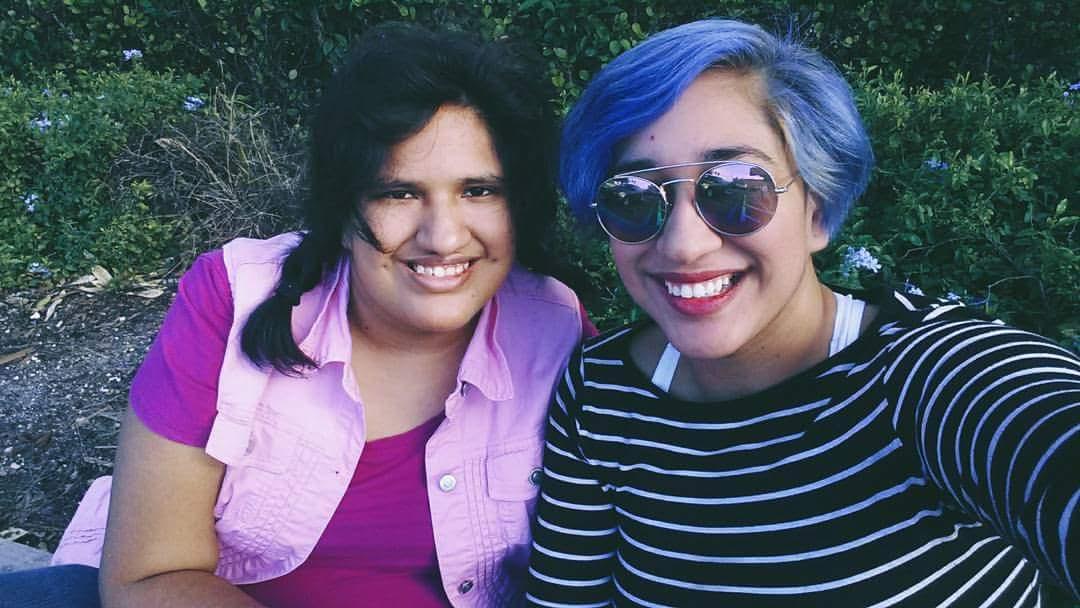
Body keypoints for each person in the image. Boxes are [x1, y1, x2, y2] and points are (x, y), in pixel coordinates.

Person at [1, 22, 594, 608]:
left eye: (479, 191)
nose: (442, 237)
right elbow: (149, 576)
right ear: (343, 206)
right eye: (399, 192)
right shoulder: (231, 300)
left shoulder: (557, 331)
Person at [526, 18, 1079, 607]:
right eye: (632, 198)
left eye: (736, 189)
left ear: (817, 208)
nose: (684, 244)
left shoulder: (927, 378)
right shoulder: (600, 393)